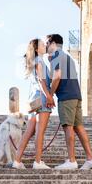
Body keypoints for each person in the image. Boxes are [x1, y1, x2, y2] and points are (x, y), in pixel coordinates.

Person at [46, 34, 92, 170]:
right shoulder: (67, 57)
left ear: (53, 43)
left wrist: (50, 95)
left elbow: (57, 76)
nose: (46, 46)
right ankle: (90, 158)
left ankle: (71, 160)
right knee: (78, 126)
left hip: (66, 97)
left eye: (47, 43)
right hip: (76, 94)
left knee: (68, 127)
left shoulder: (56, 56)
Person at [12, 38, 55, 170]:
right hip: (42, 99)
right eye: (43, 44)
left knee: (29, 132)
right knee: (39, 131)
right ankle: (38, 161)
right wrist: (49, 96)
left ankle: (17, 161)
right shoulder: (40, 61)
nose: (45, 46)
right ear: (37, 49)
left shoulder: (35, 61)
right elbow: (41, 81)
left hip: (34, 100)